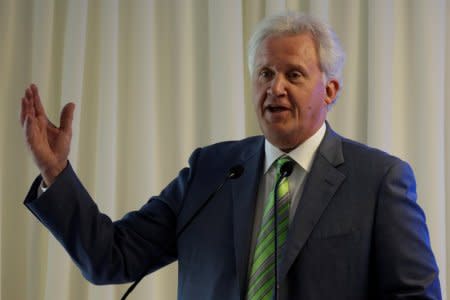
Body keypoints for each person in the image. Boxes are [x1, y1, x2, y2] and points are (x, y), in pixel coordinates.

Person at [20, 12, 441, 299]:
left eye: (293, 74)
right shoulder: (212, 171)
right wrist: (56, 171)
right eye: (265, 73)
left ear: (330, 90)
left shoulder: (379, 180)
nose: (275, 88)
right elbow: (110, 257)